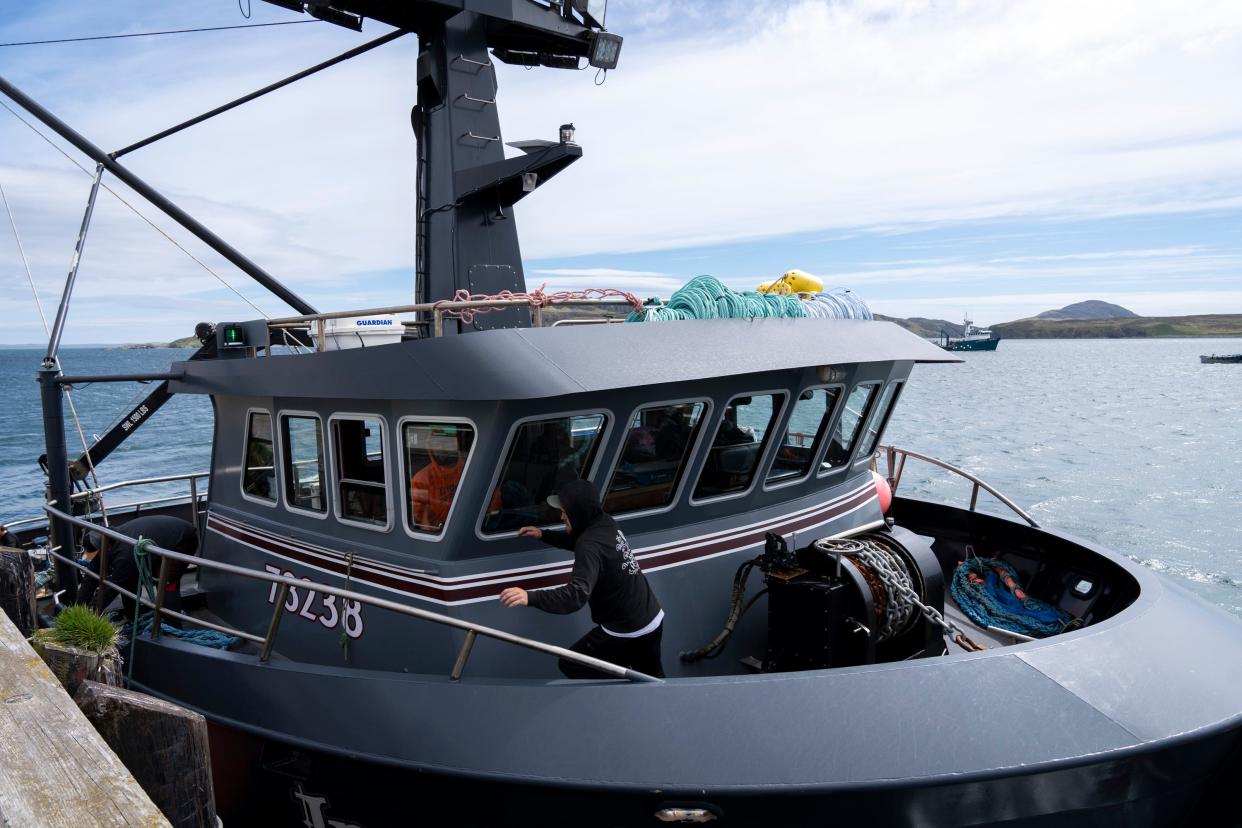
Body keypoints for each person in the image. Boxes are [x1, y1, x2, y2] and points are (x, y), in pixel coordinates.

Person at [499, 479, 665, 679]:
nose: (561, 516)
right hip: (651, 617)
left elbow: (575, 596)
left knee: (570, 665)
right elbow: (579, 542)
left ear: (577, 512)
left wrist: (529, 597)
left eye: (565, 511)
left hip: (626, 630)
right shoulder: (604, 522)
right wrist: (543, 535)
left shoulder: (589, 544)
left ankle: (624, 692)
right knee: (653, 678)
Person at [75, 515, 199, 622]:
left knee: (166, 582)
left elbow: (112, 589)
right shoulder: (109, 538)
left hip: (182, 540)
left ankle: (173, 626)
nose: (96, 557)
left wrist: (90, 614)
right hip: (162, 538)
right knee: (128, 580)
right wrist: (78, 608)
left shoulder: (124, 555)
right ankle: (132, 618)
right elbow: (90, 579)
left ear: (104, 547)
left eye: (97, 552)